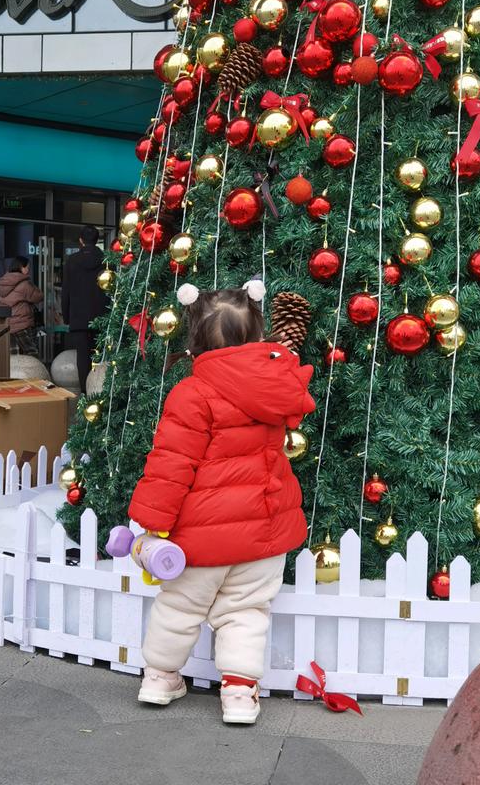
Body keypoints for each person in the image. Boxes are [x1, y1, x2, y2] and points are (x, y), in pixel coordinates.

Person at [126, 281, 314, 725]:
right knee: (246, 612)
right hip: (261, 534)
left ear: (195, 338)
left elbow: (171, 466)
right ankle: (239, 694)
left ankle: (159, 677)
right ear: (257, 333)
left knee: (180, 606)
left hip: (201, 538)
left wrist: (152, 524)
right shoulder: (275, 387)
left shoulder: (193, 393)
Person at [61, 225, 109, 391]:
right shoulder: (106, 259)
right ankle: (99, 389)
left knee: (83, 357)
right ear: (96, 240)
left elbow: (66, 290)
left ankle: (85, 391)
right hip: (102, 315)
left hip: (79, 316)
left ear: (81, 240)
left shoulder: (72, 261)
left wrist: (66, 316)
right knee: (101, 355)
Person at [0, 257, 43, 355]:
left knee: (13, 355)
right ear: (21, 267)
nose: (28, 270)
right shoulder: (24, 284)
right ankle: (34, 371)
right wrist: (32, 284)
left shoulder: (4, 282)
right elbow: (39, 297)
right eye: (27, 267)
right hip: (22, 323)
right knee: (32, 353)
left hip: (8, 323)